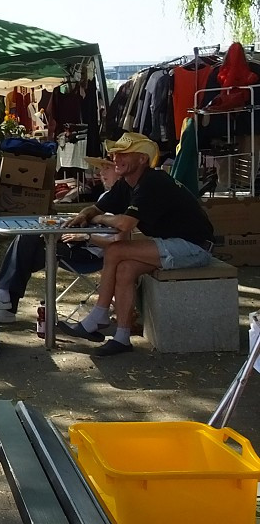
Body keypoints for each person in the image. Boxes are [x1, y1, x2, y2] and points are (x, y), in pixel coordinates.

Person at [57, 132, 216, 356]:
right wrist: (85, 214)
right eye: (114, 153)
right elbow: (97, 207)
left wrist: (97, 218)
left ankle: (98, 315)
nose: (115, 157)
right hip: (171, 243)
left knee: (115, 250)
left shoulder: (153, 182)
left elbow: (125, 224)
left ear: (142, 159)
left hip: (195, 247)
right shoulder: (126, 184)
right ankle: (122, 337)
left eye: (124, 153)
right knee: (125, 268)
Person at [0, 156, 127, 323]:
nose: (101, 173)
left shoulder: (125, 201)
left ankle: (5, 298)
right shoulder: (105, 197)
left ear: (119, 171)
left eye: (106, 168)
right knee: (29, 236)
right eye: (100, 169)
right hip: (77, 243)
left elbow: (119, 244)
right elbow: (91, 218)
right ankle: (5, 298)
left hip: (92, 253)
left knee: (30, 250)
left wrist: (86, 236)